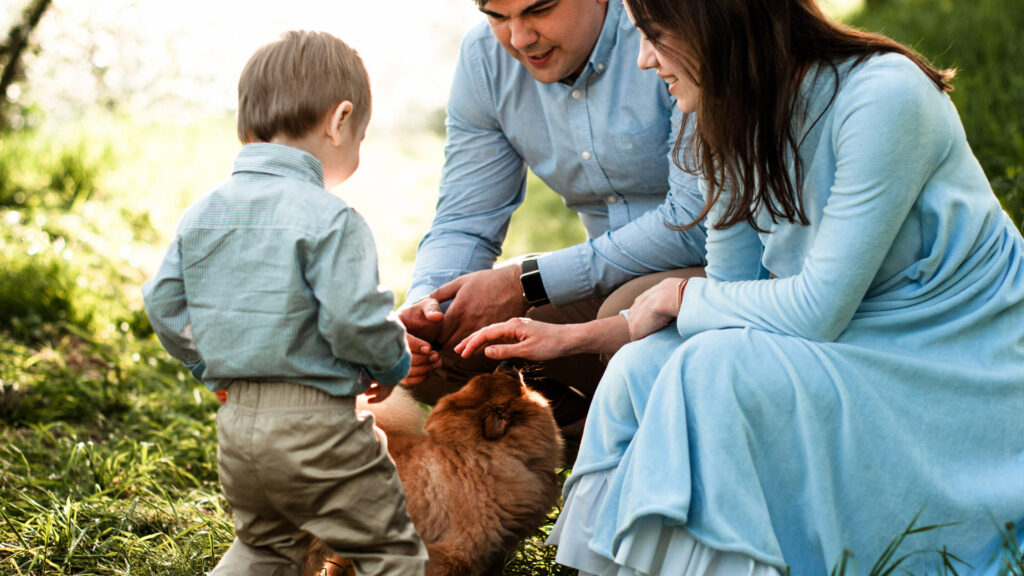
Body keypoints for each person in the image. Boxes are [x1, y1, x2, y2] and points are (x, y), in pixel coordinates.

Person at [456, 0, 1024, 572]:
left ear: (717, 20)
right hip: (848, 334)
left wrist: (681, 295)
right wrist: (577, 339)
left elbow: (818, 308)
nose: (644, 59)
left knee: (712, 367)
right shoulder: (727, 113)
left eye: (654, 35)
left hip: (949, 353)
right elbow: (732, 289)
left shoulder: (884, 96)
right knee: (640, 368)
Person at [141, 31, 427, 576]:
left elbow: (163, 303)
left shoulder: (203, 212)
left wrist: (211, 366)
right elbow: (353, 318)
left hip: (238, 429)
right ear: (340, 121)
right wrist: (391, 364)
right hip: (320, 430)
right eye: (361, 138)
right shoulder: (333, 218)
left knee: (264, 549)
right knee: (389, 552)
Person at [397, 0, 710, 432]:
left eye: (539, 10)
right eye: (497, 17)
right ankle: (588, 438)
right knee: (434, 349)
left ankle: (635, 441)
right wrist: (425, 306)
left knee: (629, 309)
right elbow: (465, 219)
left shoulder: (666, 32)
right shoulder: (484, 60)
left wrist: (528, 281)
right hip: (598, 279)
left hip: (710, 270)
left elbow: (695, 222)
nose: (519, 38)